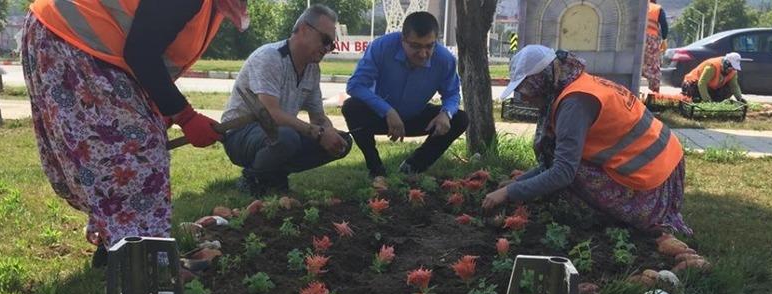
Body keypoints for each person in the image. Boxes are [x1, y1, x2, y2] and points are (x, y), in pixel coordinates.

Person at [22, 0, 249, 266]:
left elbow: (148, 43)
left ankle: (118, 247)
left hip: (75, 40)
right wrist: (185, 116)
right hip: (69, 38)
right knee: (136, 151)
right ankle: (142, 264)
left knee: (124, 147)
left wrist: (159, 107)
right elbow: (141, 52)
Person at [483, 45, 691, 236]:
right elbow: (553, 161)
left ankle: (632, 218)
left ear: (542, 81)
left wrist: (509, 193)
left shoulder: (574, 104)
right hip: (661, 160)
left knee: (574, 173)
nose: (525, 98)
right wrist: (519, 182)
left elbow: (562, 172)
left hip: (653, 178)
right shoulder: (573, 84)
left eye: (526, 90)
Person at [222, 4, 352, 197]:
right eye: (325, 40)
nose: (327, 49)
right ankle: (252, 178)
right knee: (287, 138)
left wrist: (328, 131)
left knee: (344, 142)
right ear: (304, 30)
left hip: (277, 133)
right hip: (240, 134)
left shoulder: (312, 69)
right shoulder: (269, 57)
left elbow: (318, 117)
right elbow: (271, 114)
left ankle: (274, 174)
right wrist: (317, 133)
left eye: (331, 44)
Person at [342, 11, 468, 183]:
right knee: (351, 107)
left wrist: (446, 113)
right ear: (403, 40)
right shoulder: (381, 47)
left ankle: (413, 166)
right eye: (416, 46)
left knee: (459, 118)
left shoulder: (445, 59)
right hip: (381, 117)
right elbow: (355, 85)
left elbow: (452, 93)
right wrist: (387, 111)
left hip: (415, 117)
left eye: (429, 46)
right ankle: (376, 169)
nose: (423, 54)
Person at [681, 53, 746, 103]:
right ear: (726, 64)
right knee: (697, 98)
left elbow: (734, 86)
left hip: (709, 88)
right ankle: (702, 101)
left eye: (734, 68)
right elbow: (702, 83)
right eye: (731, 67)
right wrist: (707, 101)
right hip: (692, 84)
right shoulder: (712, 67)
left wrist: (740, 99)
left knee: (727, 89)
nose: (732, 70)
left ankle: (713, 101)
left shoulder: (733, 71)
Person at [642, 0, 669, 93]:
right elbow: (664, 25)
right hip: (651, 41)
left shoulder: (638, 6)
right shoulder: (657, 8)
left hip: (635, 39)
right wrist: (664, 39)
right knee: (653, 68)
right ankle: (654, 95)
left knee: (635, 65)